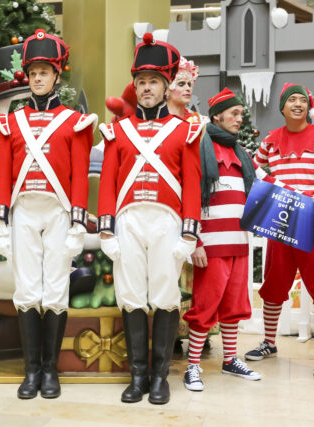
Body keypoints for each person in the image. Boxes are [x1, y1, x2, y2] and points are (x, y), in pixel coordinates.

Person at [97, 33, 204, 404]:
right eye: (140, 82)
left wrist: (188, 233)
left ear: (165, 87)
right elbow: (109, 181)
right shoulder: (117, 130)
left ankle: (160, 378)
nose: (146, 89)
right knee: (130, 297)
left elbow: (192, 181)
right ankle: (137, 376)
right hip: (127, 221)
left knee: (164, 294)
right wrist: (106, 227)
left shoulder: (185, 129)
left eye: (153, 82)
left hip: (166, 221)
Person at [0, 29, 96, 400]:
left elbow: (79, 174)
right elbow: (3, 172)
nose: (38, 78)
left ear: (56, 76)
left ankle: (50, 371)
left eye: (44, 72)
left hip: (58, 212)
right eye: (33, 72)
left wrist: (78, 224)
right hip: (23, 212)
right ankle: (31, 370)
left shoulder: (73, 120)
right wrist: (1, 221)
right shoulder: (12, 121)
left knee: (55, 290)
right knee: (26, 290)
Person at [245, 83, 314, 377]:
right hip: (279, 217)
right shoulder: (270, 139)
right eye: (292, 99)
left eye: (303, 100)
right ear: (282, 107)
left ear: (309, 107)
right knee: (275, 282)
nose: (298, 104)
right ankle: (268, 342)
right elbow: (252, 169)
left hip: (310, 220)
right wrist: (273, 190)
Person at [183, 88, 264, 391]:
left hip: (238, 244)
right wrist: (196, 241)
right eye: (235, 113)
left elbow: (267, 182)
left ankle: (230, 359)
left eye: (241, 114)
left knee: (233, 305)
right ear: (218, 114)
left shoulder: (241, 153)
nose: (239, 118)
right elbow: (188, 194)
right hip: (211, 245)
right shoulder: (200, 147)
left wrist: (310, 202)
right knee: (204, 307)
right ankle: (193, 366)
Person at [166, 57, 201, 123]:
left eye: (189, 84)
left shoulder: (199, 120)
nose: (188, 88)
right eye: (181, 84)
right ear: (167, 89)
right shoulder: (155, 119)